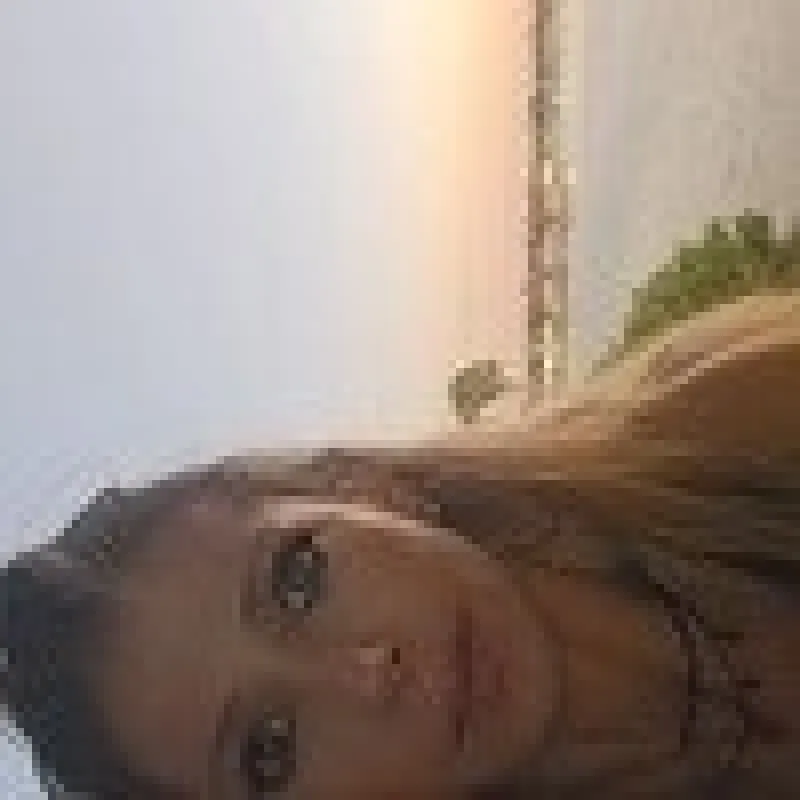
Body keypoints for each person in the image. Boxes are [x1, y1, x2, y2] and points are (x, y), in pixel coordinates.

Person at [3, 291, 799, 799]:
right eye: (269, 750)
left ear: (359, 487)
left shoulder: (736, 426)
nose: (365, 673)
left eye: (298, 580)